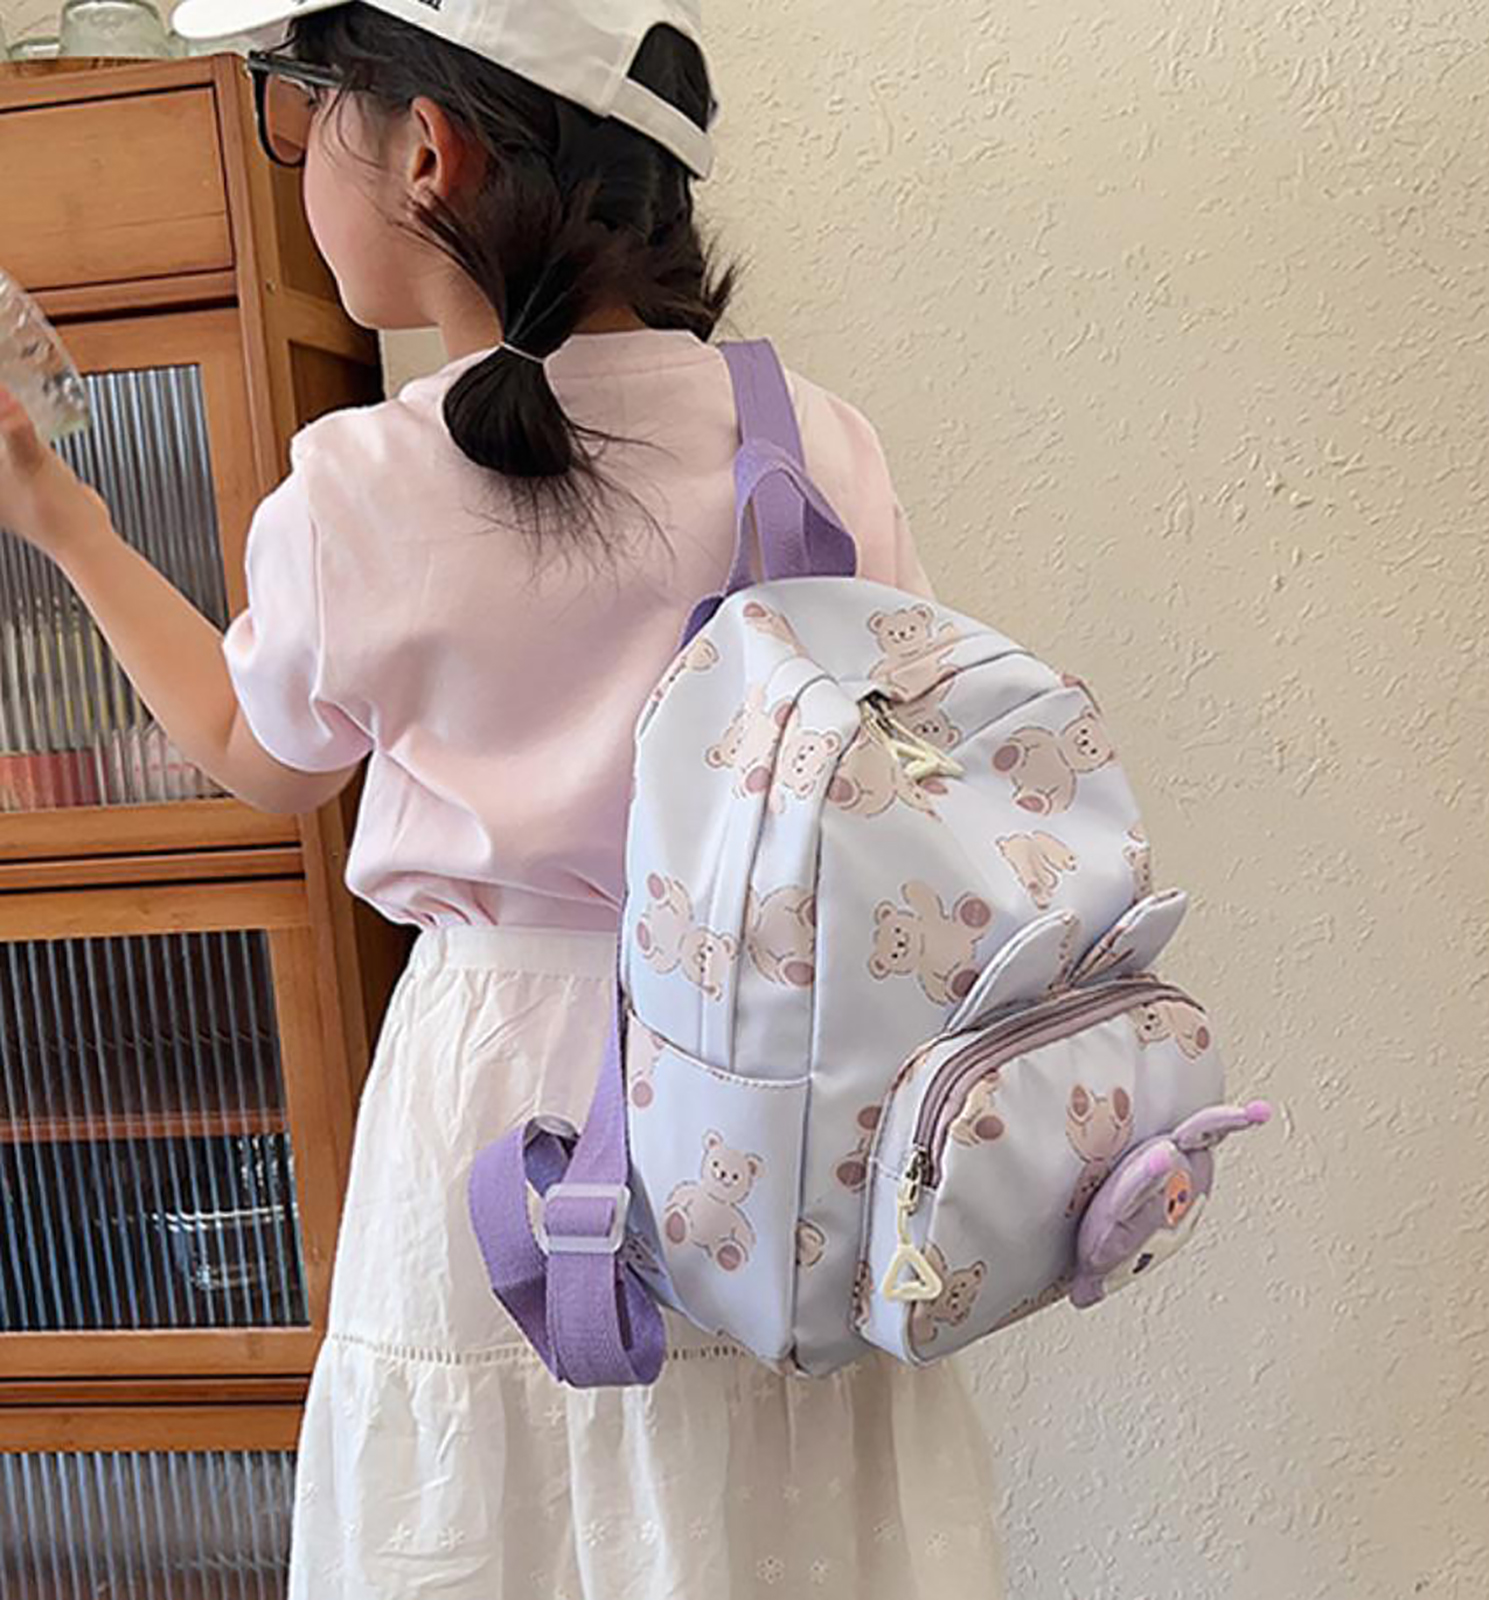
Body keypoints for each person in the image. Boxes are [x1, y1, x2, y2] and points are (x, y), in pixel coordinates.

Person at [0, 1, 1007, 1594]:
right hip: (774, 1070)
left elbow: (258, 757)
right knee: (766, 1491)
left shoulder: (358, 484)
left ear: (427, 149)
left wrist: (65, 519)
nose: (297, 151)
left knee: (488, 1507)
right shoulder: (813, 437)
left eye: (306, 102)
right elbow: (913, 763)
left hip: (492, 1087)